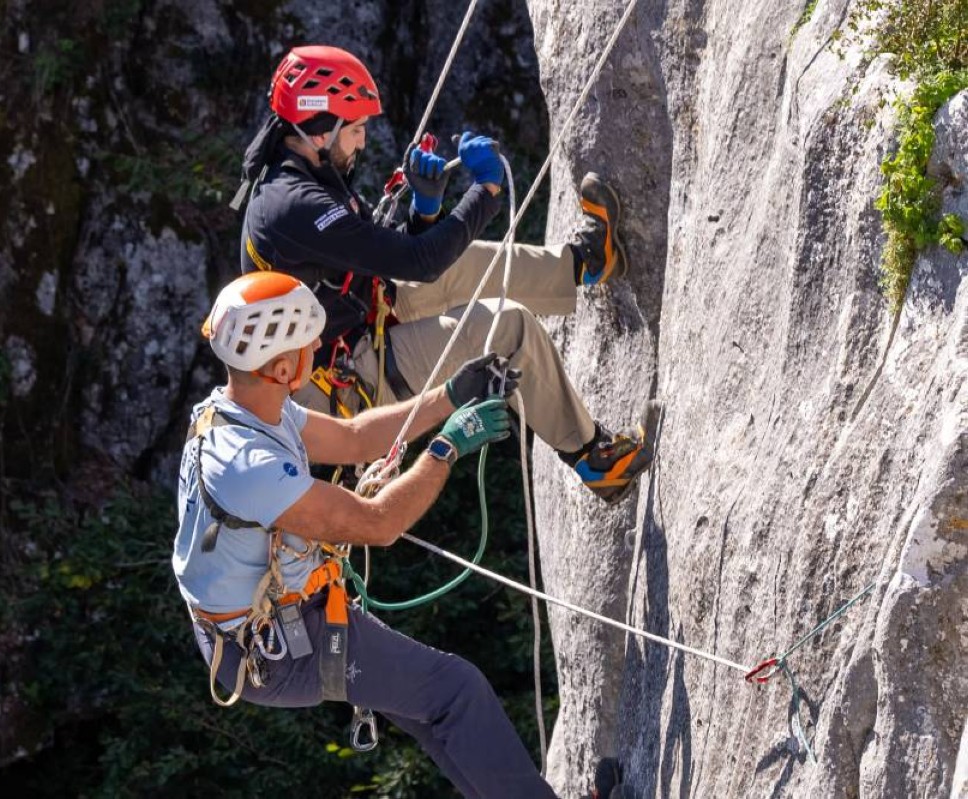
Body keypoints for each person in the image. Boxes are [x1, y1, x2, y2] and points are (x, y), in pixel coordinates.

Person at [175, 271, 558, 798]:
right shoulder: (248, 466)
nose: (318, 347)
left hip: (269, 626)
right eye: (309, 344)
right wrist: (446, 448)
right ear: (283, 367)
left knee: (435, 710)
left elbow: (356, 439)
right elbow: (379, 524)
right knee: (455, 692)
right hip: (277, 650)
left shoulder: (242, 409)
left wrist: (450, 395)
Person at [232, 44, 653, 504]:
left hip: (358, 324)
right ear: (319, 133)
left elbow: (396, 255)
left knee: (462, 263)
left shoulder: (301, 176)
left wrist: (425, 212)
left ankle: (587, 262)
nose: (362, 142)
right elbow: (419, 262)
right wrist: (486, 192)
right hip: (345, 382)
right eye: (354, 130)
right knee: (506, 327)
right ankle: (594, 459)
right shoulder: (293, 207)